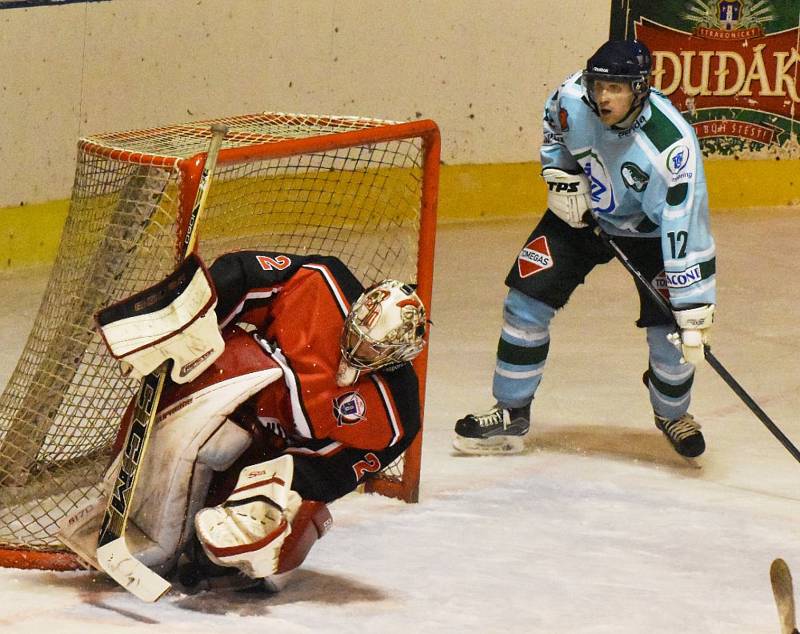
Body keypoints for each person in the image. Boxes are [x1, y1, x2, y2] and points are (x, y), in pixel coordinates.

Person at [59, 250, 427, 592]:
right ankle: (147, 515)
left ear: (397, 358)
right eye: (355, 334)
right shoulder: (322, 281)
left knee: (277, 538)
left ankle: (214, 554)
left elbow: (331, 474)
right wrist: (190, 323)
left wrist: (267, 492)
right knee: (244, 365)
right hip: (231, 398)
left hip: (270, 453)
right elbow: (243, 273)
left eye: (371, 350)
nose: (355, 348)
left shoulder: (397, 414)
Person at [453, 39, 716, 458]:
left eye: (616, 87)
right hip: (580, 213)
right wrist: (561, 176)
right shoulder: (572, 96)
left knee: (672, 338)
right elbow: (554, 128)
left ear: (641, 89)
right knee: (525, 302)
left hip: (649, 234)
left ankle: (671, 413)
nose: (603, 96)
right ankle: (511, 410)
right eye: (598, 85)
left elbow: (683, 224)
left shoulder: (672, 147)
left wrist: (693, 306)